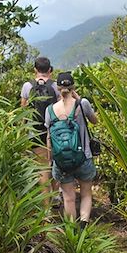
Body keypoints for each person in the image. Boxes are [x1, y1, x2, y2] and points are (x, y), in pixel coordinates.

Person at [46, 71, 98, 225]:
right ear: (73, 87)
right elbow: (94, 120)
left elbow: (49, 138)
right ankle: (83, 223)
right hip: (84, 157)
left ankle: (71, 232)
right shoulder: (82, 104)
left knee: (68, 198)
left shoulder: (50, 110)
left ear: (57, 87)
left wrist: (51, 160)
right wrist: (80, 99)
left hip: (61, 161)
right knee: (86, 194)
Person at [20, 56, 60, 195]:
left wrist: (22, 132)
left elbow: (23, 111)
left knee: (42, 167)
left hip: (35, 132)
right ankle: (56, 196)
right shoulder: (55, 86)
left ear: (35, 70)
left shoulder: (27, 86)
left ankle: (45, 204)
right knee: (56, 163)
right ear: (49, 70)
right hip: (54, 130)